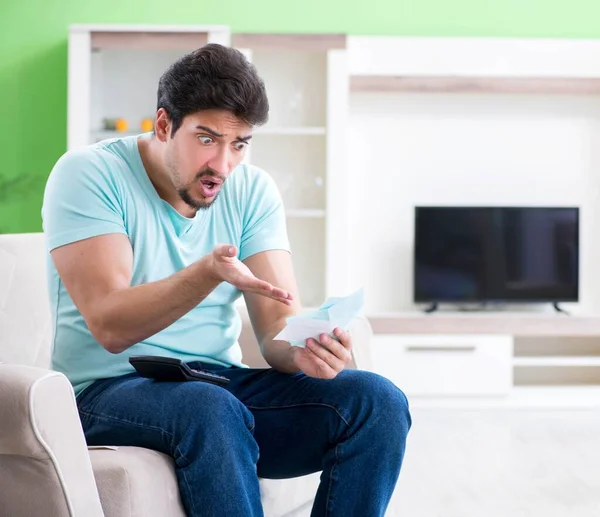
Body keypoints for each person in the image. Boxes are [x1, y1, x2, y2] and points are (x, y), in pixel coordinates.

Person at [42, 43, 411, 517]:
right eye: (206, 138)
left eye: (238, 144)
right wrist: (205, 274)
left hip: (215, 383)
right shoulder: (90, 175)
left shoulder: (252, 190)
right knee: (208, 407)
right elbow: (111, 327)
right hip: (105, 393)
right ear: (162, 124)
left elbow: (277, 328)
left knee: (377, 402)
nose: (222, 164)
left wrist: (301, 348)